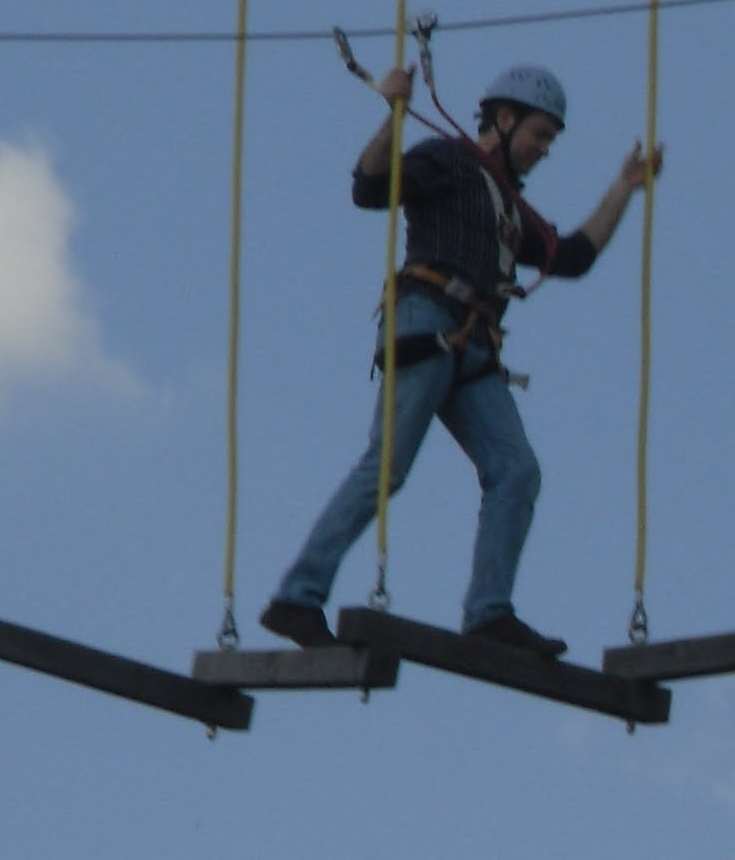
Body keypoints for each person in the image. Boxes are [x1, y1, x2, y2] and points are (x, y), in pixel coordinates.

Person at [259, 63, 663, 657]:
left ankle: (489, 612)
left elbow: (571, 256)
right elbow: (371, 187)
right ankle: (297, 596)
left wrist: (624, 189)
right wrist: (392, 115)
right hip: (426, 322)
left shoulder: (506, 206)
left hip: (472, 347)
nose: (543, 150)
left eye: (550, 140)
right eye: (539, 135)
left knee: (517, 471)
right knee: (388, 464)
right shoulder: (447, 161)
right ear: (504, 119)